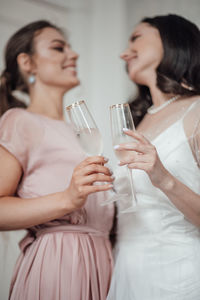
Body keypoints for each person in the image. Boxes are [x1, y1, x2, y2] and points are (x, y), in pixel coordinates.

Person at [0, 20, 115, 300]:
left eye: (71, 48)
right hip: (60, 262)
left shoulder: (81, 132)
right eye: (58, 47)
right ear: (28, 63)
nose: (73, 54)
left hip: (105, 262)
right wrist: (67, 199)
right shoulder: (19, 121)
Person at [107, 14, 200, 300]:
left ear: (173, 40)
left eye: (136, 37)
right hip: (126, 272)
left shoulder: (197, 110)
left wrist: (164, 179)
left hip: (181, 274)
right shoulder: (135, 121)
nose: (124, 53)